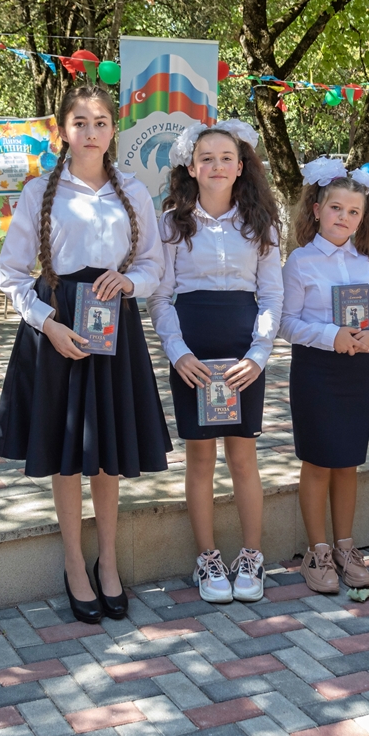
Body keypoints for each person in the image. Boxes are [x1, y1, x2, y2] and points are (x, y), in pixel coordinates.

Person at [0, 85, 170, 623]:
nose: (91, 133)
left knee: (108, 454)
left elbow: (153, 265)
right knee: (67, 453)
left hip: (116, 330)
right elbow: (12, 274)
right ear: (62, 130)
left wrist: (129, 279)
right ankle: (74, 564)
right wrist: (48, 325)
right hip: (60, 331)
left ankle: (108, 562)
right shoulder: (38, 193)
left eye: (100, 123)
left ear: (113, 130)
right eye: (80, 123)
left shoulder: (135, 192)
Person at [148, 120, 282, 603]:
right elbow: (161, 299)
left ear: (241, 166)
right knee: (200, 457)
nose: (216, 166)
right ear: (190, 166)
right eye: (206, 158)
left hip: (244, 354)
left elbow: (271, 295)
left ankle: (251, 554)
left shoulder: (261, 224)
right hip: (193, 354)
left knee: (243, 456)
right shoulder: (169, 225)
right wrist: (178, 353)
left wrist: (260, 354)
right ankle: (207, 558)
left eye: (226, 157)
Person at [280, 160, 369, 593]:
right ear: (316, 209)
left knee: (348, 462)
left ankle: (346, 547)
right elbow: (286, 323)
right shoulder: (300, 262)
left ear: (363, 219)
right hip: (316, 370)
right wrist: (331, 336)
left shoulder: (368, 262)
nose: (343, 218)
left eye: (353, 212)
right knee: (318, 463)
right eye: (335, 209)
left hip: (358, 371)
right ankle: (318, 550)